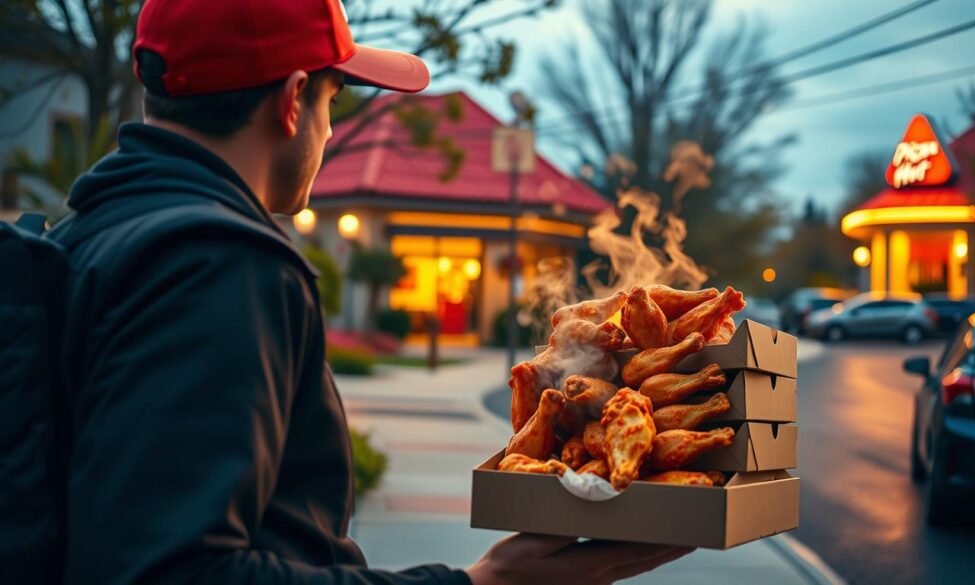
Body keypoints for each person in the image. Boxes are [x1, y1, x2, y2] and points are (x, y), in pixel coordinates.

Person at [47, 0, 694, 583]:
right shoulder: (219, 263)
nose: (329, 131)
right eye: (335, 100)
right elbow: (177, 569)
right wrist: (486, 582)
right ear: (295, 100)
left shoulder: (86, 235)